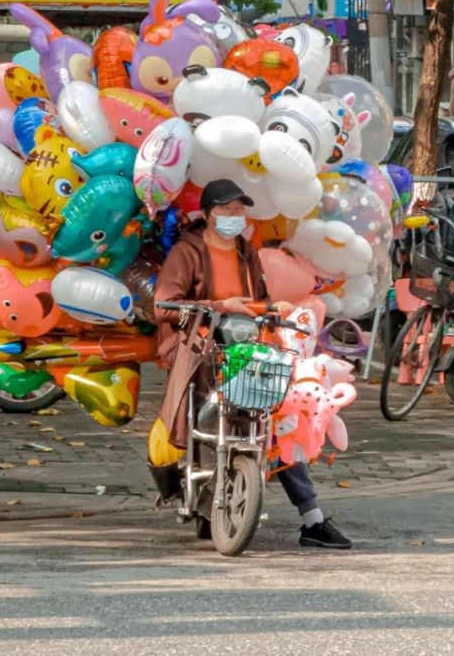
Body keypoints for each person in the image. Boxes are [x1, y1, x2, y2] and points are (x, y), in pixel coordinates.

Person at [151, 177, 353, 550]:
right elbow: (164, 305)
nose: (235, 215)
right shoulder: (187, 252)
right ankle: (197, 496)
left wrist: (275, 309)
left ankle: (313, 518)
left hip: (247, 352)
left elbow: (257, 301)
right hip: (202, 352)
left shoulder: (246, 251)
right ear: (209, 214)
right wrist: (218, 308)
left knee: (277, 424)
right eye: (227, 209)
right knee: (193, 422)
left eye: (240, 209)